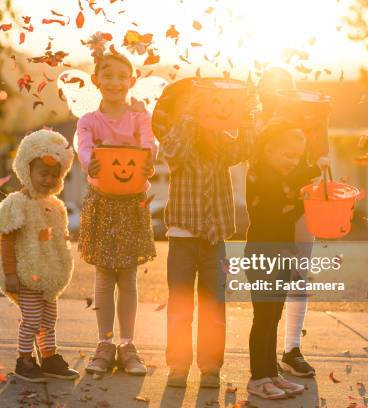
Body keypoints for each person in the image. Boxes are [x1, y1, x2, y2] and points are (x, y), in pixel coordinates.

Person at [152, 77, 255, 389]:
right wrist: (190, 114)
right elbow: (171, 151)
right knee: (181, 307)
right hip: (182, 240)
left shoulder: (221, 144)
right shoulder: (179, 143)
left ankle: (210, 366)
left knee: (214, 306)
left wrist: (246, 115)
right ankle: (179, 366)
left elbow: (245, 148)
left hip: (215, 242)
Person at [76, 52, 157, 376]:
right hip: (103, 201)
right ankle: (104, 344)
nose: (114, 82)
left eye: (122, 76)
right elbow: (83, 148)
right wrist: (88, 162)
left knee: (128, 278)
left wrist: (150, 156)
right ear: (96, 80)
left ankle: (127, 345)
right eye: (107, 75)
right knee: (104, 276)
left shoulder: (139, 118)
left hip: (131, 203)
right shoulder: (89, 121)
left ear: (132, 81)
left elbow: (150, 144)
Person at [256, 67, 331, 377]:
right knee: (270, 279)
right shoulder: (259, 124)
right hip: (271, 210)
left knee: (298, 274)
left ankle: (291, 349)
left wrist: (321, 122)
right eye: (272, 89)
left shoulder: (309, 123)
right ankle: (265, 352)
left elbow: (320, 163)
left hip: (303, 205)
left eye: (285, 89)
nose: (278, 94)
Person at [0, 129, 79, 382]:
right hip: (26, 276)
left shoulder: (55, 206)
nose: (48, 180)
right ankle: (24, 359)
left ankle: (49, 357)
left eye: (54, 175)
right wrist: (10, 274)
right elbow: (6, 239)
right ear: (26, 170)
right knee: (31, 319)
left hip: (48, 277)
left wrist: (60, 267)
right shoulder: (17, 203)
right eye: (43, 174)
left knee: (49, 318)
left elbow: (57, 241)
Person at [244, 118, 309, 399]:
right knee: (263, 317)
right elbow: (274, 212)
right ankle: (257, 378)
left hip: (282, 253)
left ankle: (271, 372)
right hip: (262, 254)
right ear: (269, 150)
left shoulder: (282, 177)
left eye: (297, 156)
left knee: (273, 316)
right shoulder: (260, 175)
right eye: (287, 154)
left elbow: (290, 211)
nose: (293, 161)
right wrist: (301, 198)